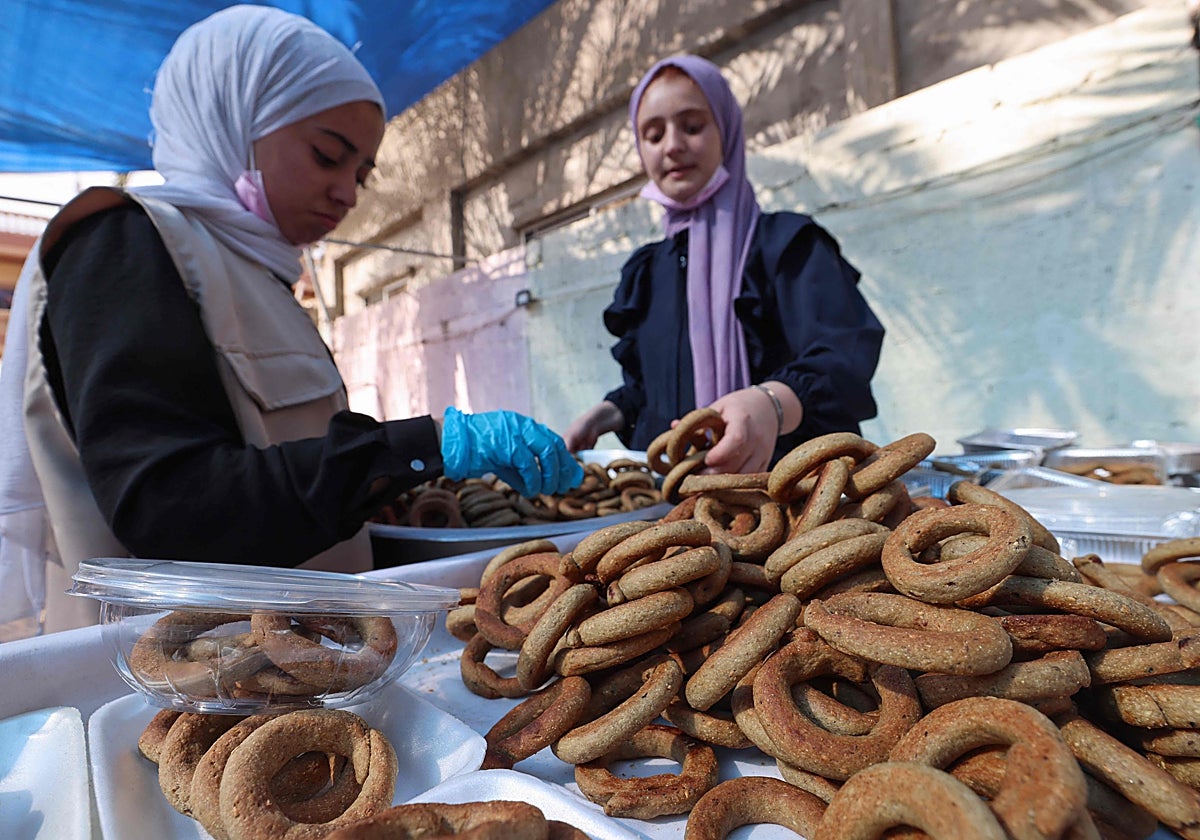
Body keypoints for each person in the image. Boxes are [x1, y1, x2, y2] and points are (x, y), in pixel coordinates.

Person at [0, 5, 580, 635]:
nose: (347, 193)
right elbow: (172, 505)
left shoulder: (259, 275)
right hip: (175, 670)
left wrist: (389, 491)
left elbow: (287, 463)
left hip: (302, 658)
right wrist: (421, 446)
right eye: (328, 156)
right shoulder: (124, 245)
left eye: (361, 174)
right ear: (236, 121)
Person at [564, 55, 884, 474]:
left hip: (800, 493)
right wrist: (607, 414)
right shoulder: (645, 273)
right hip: (678, 500)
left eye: (692, 126)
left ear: (726, 131)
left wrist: (773, 402)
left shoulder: (787, 245)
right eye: (653, 135)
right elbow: (651, 389)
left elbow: (844, 355)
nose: (672, 145)